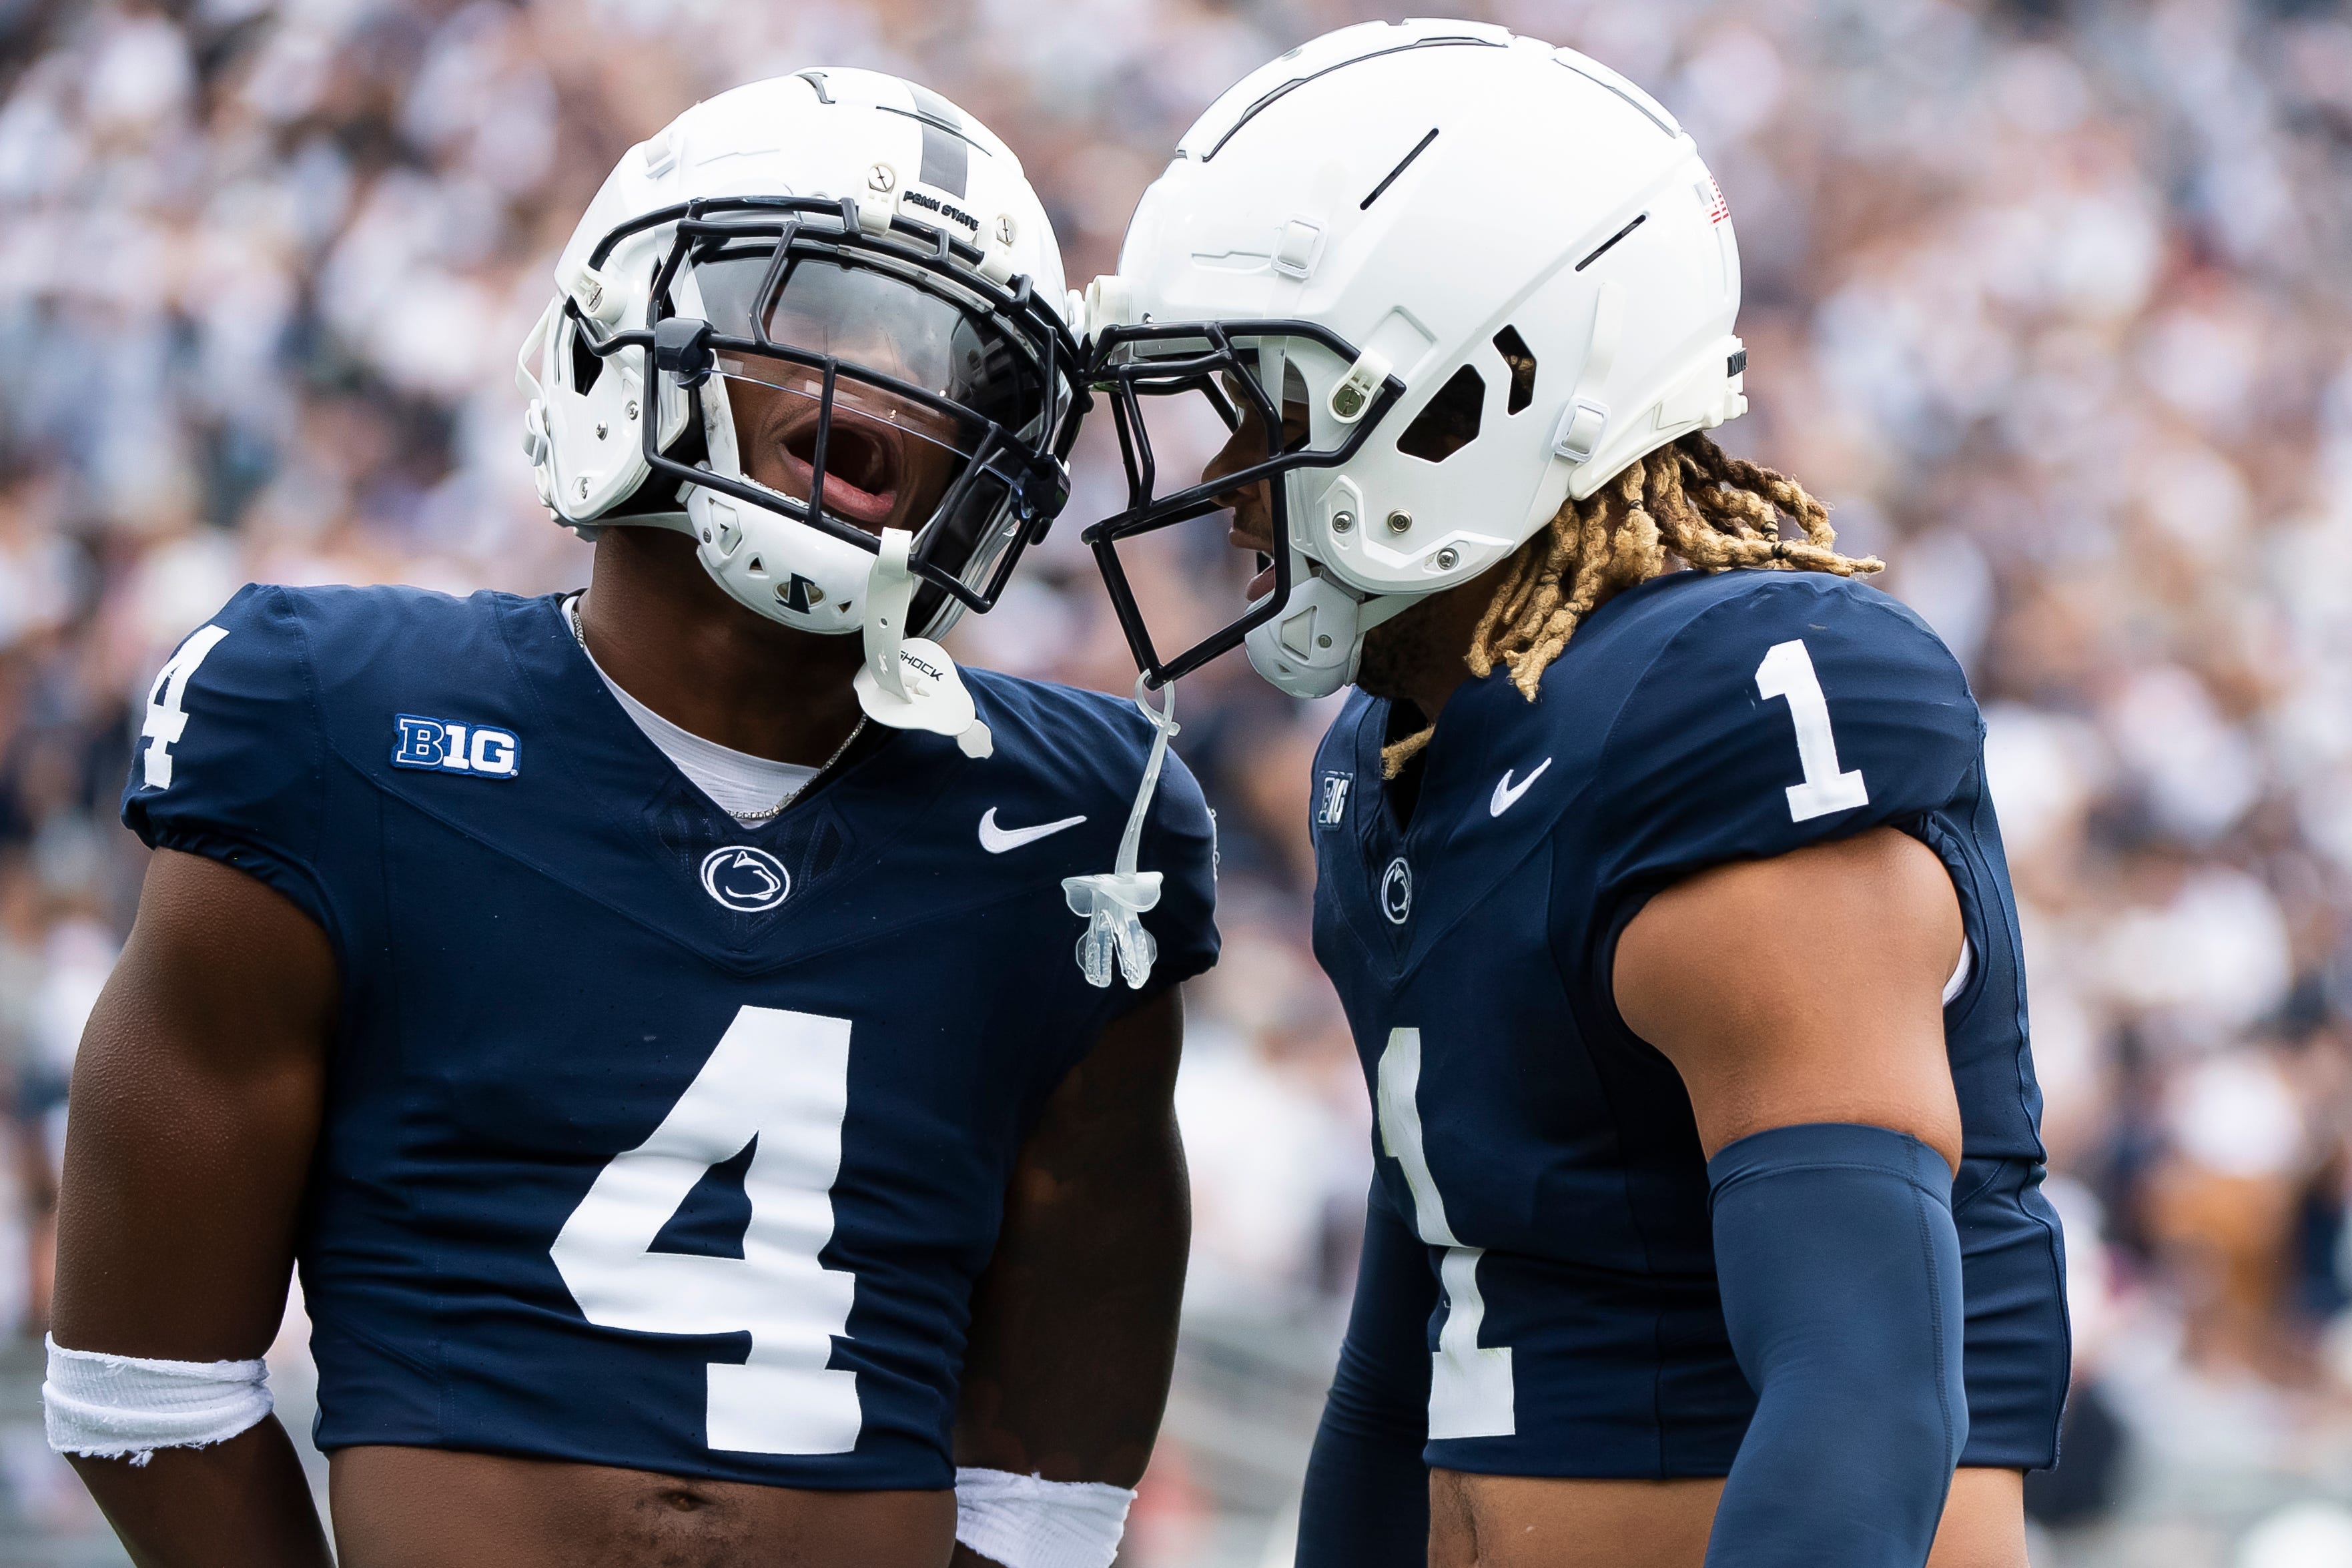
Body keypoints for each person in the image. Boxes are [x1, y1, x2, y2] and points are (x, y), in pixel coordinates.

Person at [45, 71, 1218, 1568]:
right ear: (621, 335)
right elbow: (143, 1388)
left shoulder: (1083, 820)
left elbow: (1048, 1485)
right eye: (802, 318)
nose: (875, 398)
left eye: (943, 362)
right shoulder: (330, 716)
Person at [1078, 21, 2064, 1568]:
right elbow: (1403, 1349)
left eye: (1274, 406)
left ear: (1484, 387)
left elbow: (1861, 1384)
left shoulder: (1725, 700)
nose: (1227, 476)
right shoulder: (1392, 752)